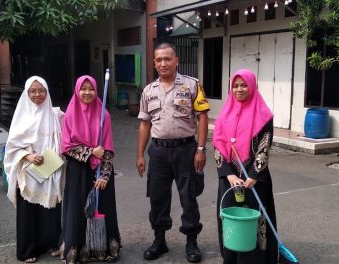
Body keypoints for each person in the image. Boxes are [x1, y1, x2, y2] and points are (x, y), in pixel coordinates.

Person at [136, 42, 210, 263]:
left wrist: (201, 149)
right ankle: (159, 240)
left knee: (189, 197)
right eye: (158, 60)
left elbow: (203, 117)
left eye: (167, 59)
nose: (163, 63)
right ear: (154, 62)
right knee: (158, 197)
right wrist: (140, 154)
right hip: (158, 152)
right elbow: (144, 124)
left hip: (186, 150)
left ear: (176, 60)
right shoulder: (148, 91)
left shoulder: (192, 85)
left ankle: (192, 242)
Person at [212, 69, 278, 264]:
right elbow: (217, 145)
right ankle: (231, 259)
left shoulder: (264, 114)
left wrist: (254, 174)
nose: (239, 90)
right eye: (235, 86)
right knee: (230, 219)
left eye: (243, 85)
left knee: (255, 221)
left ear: (252, 86)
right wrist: (228, 174)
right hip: (230, 178)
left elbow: (264, 147)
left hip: (254, 179)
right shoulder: (224, 114)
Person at [60, 75, 121, 263]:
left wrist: (104, 175)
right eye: (83, 89)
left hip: (99, 171)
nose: (87, 92)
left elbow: (108, 148)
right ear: (77, 91)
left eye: (91, 89)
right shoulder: (69, 114)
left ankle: (101, 248)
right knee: (77, 209)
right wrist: (91, 151)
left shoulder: (105, 115)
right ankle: (77, 249)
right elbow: (66, 147)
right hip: (78, 172)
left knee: (102, 208)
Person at [4, 76, 64, 263]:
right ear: (27, 93)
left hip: (50, 168)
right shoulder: (22, 116)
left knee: (51, 209)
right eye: (33, 91)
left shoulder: (56, 115)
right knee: (28, 211)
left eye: (41, 91)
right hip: (28, 170)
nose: (38, 94)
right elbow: (12, 146)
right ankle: (27, 250)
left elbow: (66, 137)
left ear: (47, 92)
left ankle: (52, 243)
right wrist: (28, 156)